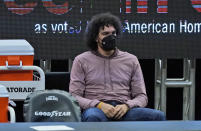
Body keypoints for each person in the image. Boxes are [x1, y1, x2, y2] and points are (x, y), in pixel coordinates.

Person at [69, 12, 166, 122]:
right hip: (96, 109)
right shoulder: (81, 60)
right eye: (105, 33)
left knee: (158, 116)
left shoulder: (131, 59)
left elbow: (142, 97)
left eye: (113, 33)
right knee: (93, 117)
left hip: (125, 109)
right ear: (96, 37)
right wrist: (99, 105)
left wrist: (127, 106)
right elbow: (74, 97)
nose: (111, 37)